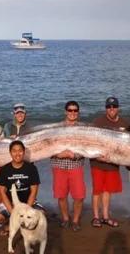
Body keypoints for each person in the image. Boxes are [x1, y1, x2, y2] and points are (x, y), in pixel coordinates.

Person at [90, 97, 129, 228]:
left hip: (113, 163)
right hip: (98, 163)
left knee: (108, 191)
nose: (111, 109)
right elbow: (89, 141)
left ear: (118, 107)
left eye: (114, 106)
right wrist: (96, 156)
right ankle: (96, 217)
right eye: (109, 107)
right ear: (106, 108)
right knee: (97, 191)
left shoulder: (125, 123)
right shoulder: (98, 121)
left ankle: (106, 217)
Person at [0, 140, 41, 235]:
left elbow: (34, 191)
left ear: (24, 152)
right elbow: (2, 192)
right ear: (10, 153)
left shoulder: (31, 168)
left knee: (41, 216)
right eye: (14, 151)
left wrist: (26, 210)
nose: (17, 153)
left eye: (20, 150)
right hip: (10, 204)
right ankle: (9, 224)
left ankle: (21, 225)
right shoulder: (4, 169)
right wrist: (13, 212)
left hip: (28, 203)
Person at [50, 101, 85, 231]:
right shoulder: (56, 128)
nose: (72, 113)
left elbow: (87, 147)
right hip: (58, 165)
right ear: (66, 112)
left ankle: (75, 220)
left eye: (75, 110)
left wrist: (74, 155)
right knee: (61, 195)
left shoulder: (83, 128)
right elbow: (48, 145)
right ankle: (65, 218)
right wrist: (58, 154)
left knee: (79, 196)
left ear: (78, 112)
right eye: (70, 110)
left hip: (76, 165)